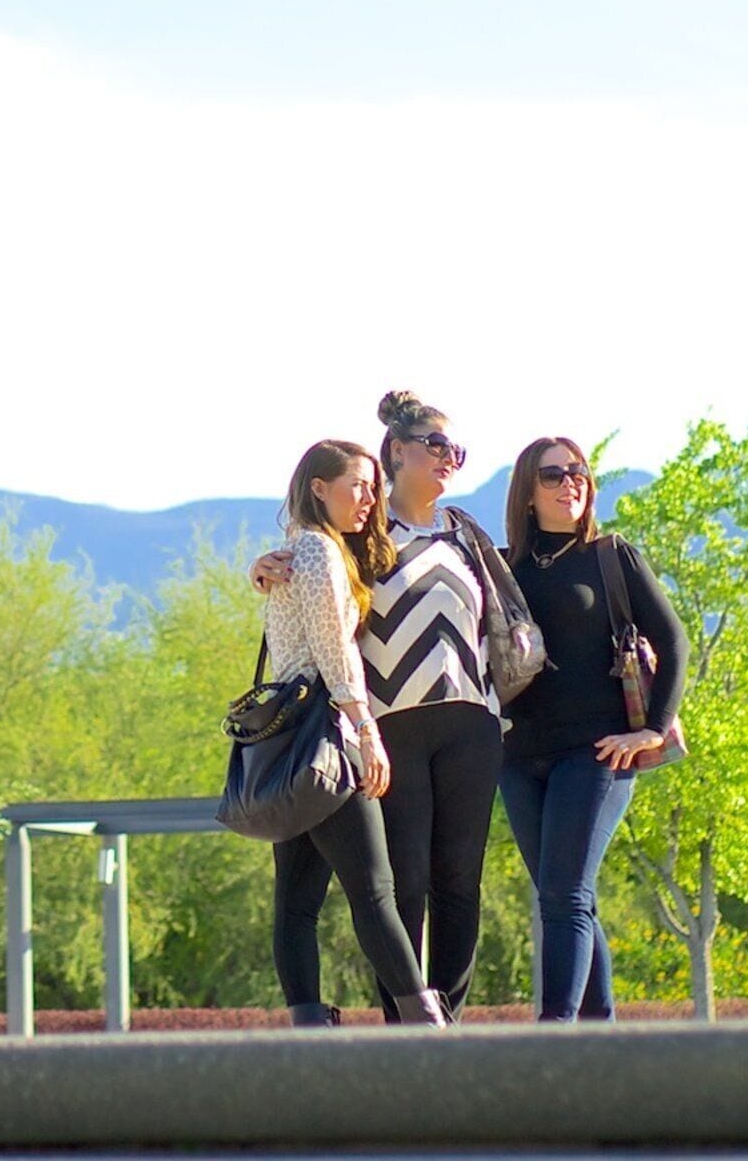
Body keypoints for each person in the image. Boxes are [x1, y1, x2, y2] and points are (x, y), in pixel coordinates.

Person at [255, 390, 505, 1017]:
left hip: (472, 722)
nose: (450, 459)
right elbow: (312, 589)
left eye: (458, 450)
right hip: (389, 724)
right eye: (437, 446)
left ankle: (447, 1015)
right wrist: (260, 567)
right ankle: (406, 1022)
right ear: (398, 451)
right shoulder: (361, 534)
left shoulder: (467, 533)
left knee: (459, 883)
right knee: (399, 884)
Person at [495, 436, 684, 1020]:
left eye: (577, 472)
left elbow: (673, 641)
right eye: (553, 475)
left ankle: (554, 1041)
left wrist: (652, 730)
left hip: (597, 752)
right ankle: (601, 1045)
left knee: (565, 898)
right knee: (569, 900)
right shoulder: (499, 568)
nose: (570, 482)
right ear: (528, 493)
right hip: (517, 757)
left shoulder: (611, 555)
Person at [259, 439, 442, 1026]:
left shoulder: (306, 549)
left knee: (297, 901)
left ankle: (310, 1031)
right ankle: (428, 1026)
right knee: (373, 890)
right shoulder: (316, 551)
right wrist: (366, 730)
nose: (370, 498)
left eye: (372, 485)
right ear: (320, 488)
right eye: (357, 485)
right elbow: (334, 651)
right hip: (324, 736)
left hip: (289, 742)